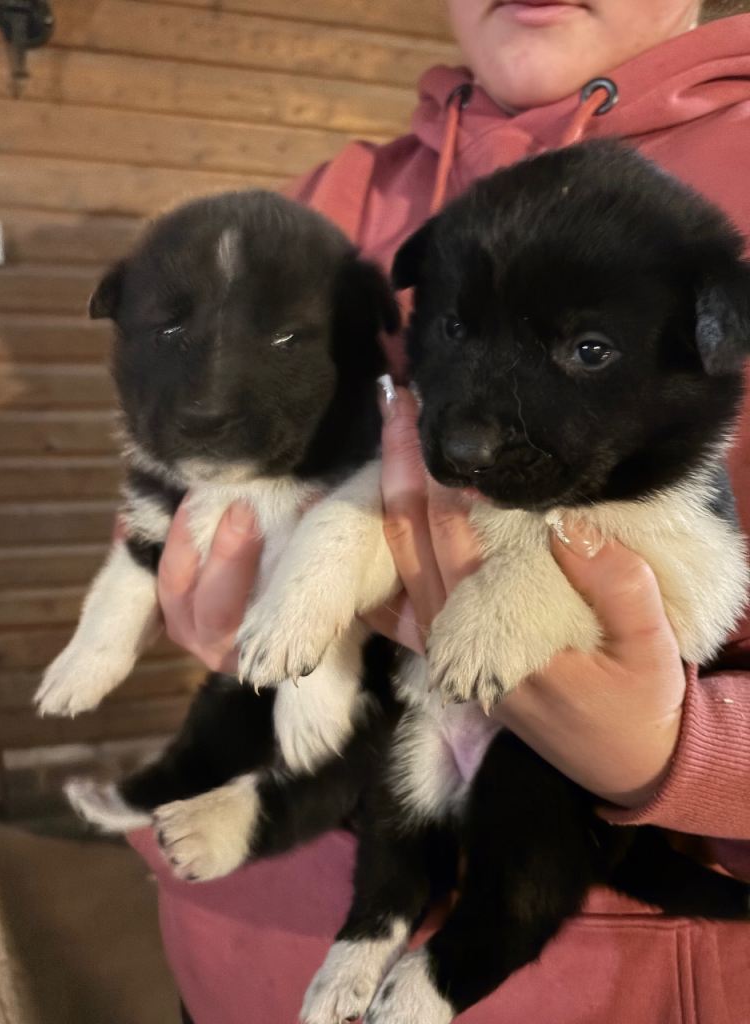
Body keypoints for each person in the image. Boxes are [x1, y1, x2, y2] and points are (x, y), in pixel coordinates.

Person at [128, 2, 750, 1020]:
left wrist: (687, 751)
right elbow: (180, 462)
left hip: (602, 978)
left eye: (586, 349)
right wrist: (196, 555)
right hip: (243, 937)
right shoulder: (338, 194)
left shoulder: (693, 251)